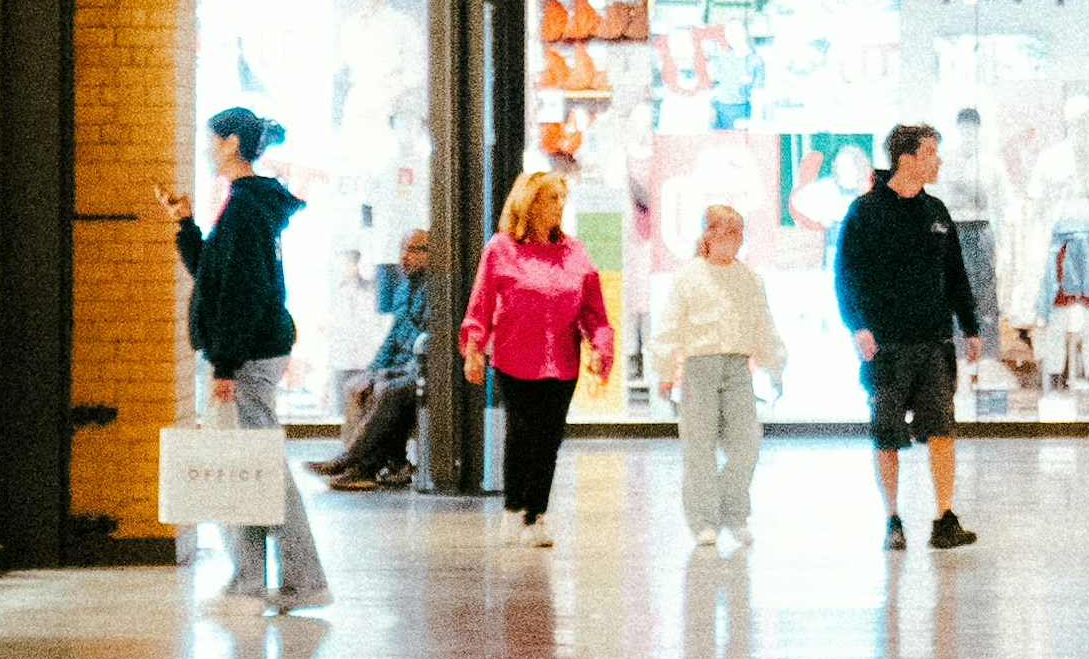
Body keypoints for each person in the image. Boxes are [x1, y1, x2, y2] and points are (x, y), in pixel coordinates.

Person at [157, 102, 330, 615]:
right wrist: (186, 224)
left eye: (213, 140)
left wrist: (225, 366)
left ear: (231, 142)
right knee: (250, 469)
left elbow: (241, 293)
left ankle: (293, 582)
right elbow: (215, 276)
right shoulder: (248, 204)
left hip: (248, 357)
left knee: (257, 471)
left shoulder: (246, 208)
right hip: (255, 351)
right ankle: (253, 583)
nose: (209, 150)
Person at [836, 118, 980, 553]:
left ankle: (945, 517)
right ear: (907, 159)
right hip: (886, 344)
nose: (938, 161)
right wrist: (858, 326)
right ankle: (893, 518)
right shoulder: (865, 212)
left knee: (942, 428)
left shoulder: (936, 212)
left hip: (934, 341)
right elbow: (847, 275)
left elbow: (955, 274)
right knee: (888, 433)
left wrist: (969, 327)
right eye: (931, 153)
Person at [461, 166, 614, 542]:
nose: (558, 206)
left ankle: (537, 513)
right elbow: (480, 305)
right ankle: (514, 509)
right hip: (516, 360)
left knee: (549, 440)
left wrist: (601, 347)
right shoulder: (501, 249)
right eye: (550, 199)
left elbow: (595, 312)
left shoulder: (576, 253)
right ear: (529, 204)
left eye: (562, 199)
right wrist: (474, 349)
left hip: (562, 363)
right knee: (521, 434)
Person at [649, 200, 784, 545]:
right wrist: (665, 370)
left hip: (738, 369)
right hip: (699, 369)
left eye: (738, 232)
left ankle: (734, 512)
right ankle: (703, 521)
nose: (732, 238)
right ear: (707, 234)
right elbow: (669, 328)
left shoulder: (750, 279)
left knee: (747, 444)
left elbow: (763, 325)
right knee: (699, 449)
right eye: (724, 230)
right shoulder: (688, 277)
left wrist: (775, 365)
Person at [321, 231, 435, 492]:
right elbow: (393, 338)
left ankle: (355, 462)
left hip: (419, 368)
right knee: (357, 385)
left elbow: (423, 340)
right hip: (403, 366)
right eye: (404, 251)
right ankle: (362, 464)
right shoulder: (404, 288)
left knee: (387, 390)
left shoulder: (437, 291)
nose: (406, 258)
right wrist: (373, 370)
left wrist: (403, 339)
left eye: (416, 251)